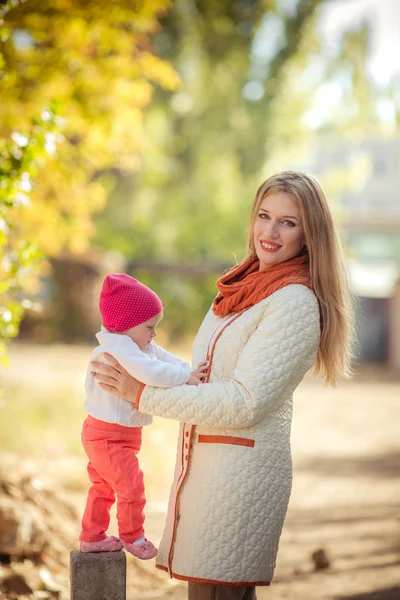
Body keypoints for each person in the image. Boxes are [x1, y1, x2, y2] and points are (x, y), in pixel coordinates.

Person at [90, 171, 355, 598]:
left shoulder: (294, 302)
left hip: (238, 480)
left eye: (288, 222)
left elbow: (244, 402)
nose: (270, 232)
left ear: (310, 234)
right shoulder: (242, 286)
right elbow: (204, 372)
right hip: (207, 470)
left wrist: (141, 395)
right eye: (264, 216)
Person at [79, 273, 208, 560]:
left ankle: (92, 537)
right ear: (125, 325)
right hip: (107, 437)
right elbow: (151, 372)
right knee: (131, 486)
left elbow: (162, 357)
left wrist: (187, 369)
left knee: (103, 487)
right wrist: (186, 377)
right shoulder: (119, 349)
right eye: (150, 327)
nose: (154, 333)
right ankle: (133, 536)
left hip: (112, 434)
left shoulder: (135, 343)